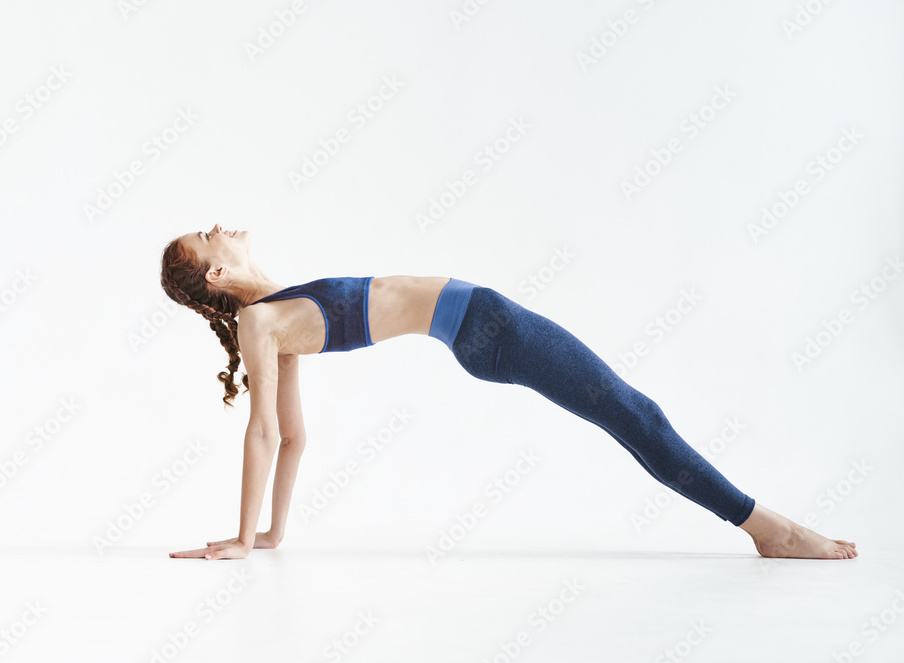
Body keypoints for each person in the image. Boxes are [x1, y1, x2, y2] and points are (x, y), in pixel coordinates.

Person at [159, 225, 857, 561]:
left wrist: (275, 532)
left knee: (631, 414)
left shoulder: (274, 306)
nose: (222, 225)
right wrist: (248, 537)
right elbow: (267, 432)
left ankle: (767, 528)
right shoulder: (259, 320)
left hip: (485, 326)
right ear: (216, 270)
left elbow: (296, 432)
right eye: (207, 235)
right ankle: (772, 529)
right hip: (490, 329)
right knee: (636, 414)